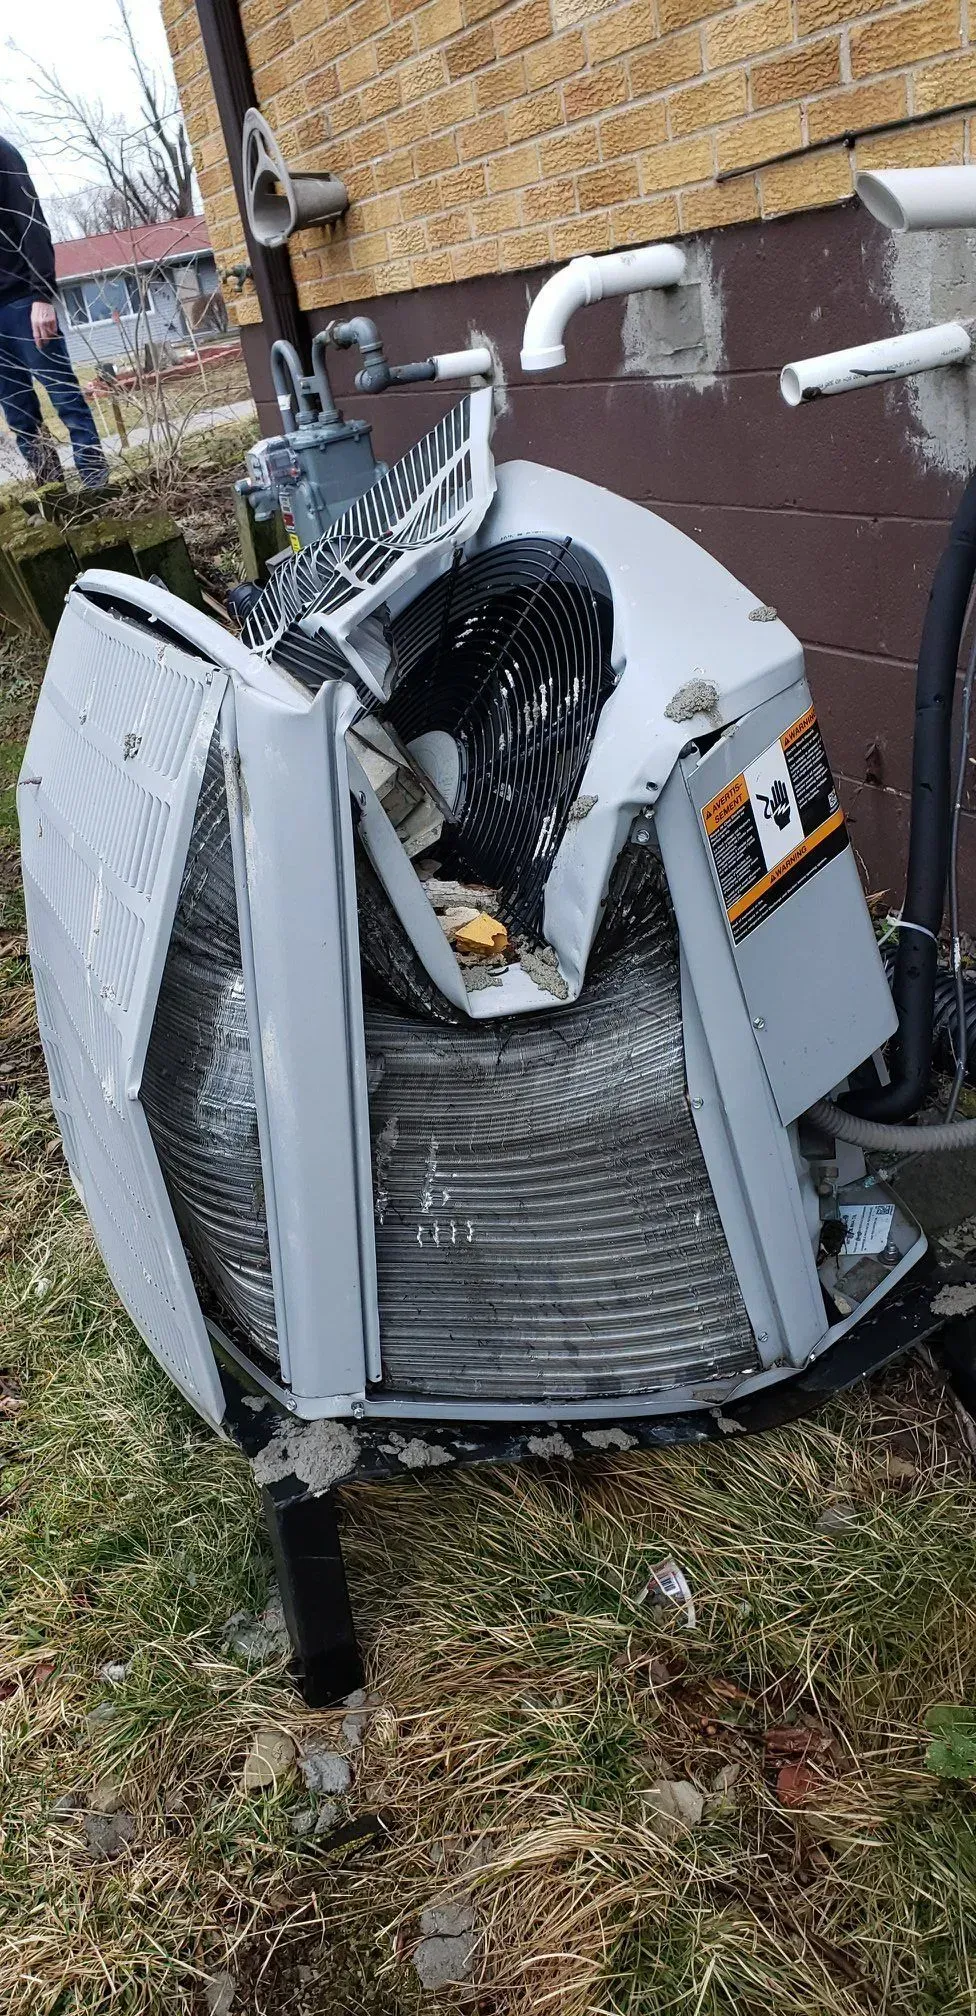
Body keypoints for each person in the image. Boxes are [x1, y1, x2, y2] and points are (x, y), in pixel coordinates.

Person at [0, 135, 108, 489]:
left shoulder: (2, 152)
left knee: (65, 399)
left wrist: (42, 295)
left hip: (23, 304)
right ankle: (54, 494)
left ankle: (97, 488)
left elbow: (31, 221)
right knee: (19, 416)